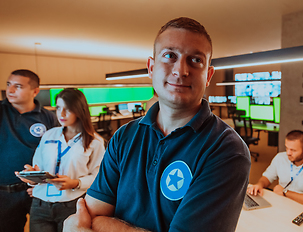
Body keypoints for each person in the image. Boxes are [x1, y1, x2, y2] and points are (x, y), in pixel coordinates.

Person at [64, 17, 251, 232]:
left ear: (208, 75)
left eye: (195, 60)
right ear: (151, 67)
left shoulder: (226, 150)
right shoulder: (123, 137)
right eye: (170, 56)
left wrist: (103, 225)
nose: (181, 70)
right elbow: (92, 215)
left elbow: (91, 223)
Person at [15, 88, 105, 232]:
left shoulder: (95, 142)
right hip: (40, 205)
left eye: (68, 109)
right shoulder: (49, 135)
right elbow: (38, 165)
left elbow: (99, 176)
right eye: (58, 108)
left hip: (71, 204)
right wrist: (33, 176)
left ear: (79, 110)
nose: (61, 114)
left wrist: (76, 183)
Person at [0, 69, 58, 232]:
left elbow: (56, 152)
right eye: (8, 85)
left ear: (35, 91)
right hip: (4, 193)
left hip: (37, 189)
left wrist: (45, 184)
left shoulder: (48, 117)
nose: (10, 90)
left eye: (18, 86)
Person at [247, 130, 303, 210]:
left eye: (293, 150)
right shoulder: (280, 157)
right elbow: (267, 177)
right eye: (287, 148)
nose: (288, 153)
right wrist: (259, 184)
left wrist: (285, 192)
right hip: (281, 205)